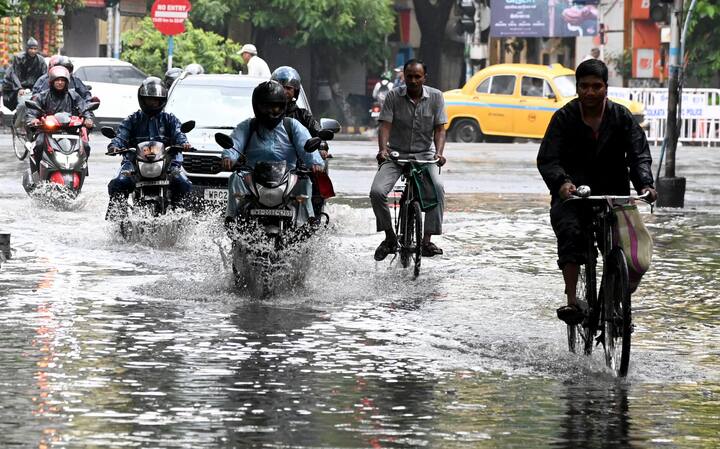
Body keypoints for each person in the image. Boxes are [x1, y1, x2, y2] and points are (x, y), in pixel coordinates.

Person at [536, 59, 657, 325]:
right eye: (585, 86)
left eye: (596, 86)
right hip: (573, 196)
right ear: (577, 89)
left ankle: (613, 303)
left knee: (629, 251)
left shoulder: (621, 117)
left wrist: (645, 184)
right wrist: (562, 184)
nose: (590, 92)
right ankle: (571, 301)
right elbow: (548, 158)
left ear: (606, 88)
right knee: (570, 235)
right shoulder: (564, 118)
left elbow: (638, 155)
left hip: (614, 195)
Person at [370, 59, 448, 261]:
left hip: (424, 156)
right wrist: (382, 150)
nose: (413, 80)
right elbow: (385, 125)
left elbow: (440, 129)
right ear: (404, 76)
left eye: (417, 77)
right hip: (395, 155)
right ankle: (389, 237)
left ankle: (427, 240)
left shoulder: (437, 97)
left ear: (424, 78)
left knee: (438, 190)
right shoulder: (393, 96)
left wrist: (439, 153)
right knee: (377, 192)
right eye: (409, 76)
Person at [221, 80, 324, 225]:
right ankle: (232, 218)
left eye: (275, 106)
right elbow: (234, 143)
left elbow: (305, 145)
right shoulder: (248, 126)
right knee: (235, 177)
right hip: (253, 177)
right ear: (257, 107)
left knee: (305, 181)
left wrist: (315, 162)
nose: (271, 111)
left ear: (283, 106)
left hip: (287, 177)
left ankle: (305, 222)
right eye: (265, 106)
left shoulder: (292, 126)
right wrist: (228, 157)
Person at [106, 77, 192, 217]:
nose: (152, 103)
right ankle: (117, 218)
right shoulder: (132, 119)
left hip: (168, 164)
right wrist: (114, 146)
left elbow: (179, 133)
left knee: (183, 183)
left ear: (162, 100)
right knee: (118, 182)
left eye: (155, 100)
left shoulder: (170, 119)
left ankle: (182, 216)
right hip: (134, 164)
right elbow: (121, 136)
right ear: (142, 99)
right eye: (149, 99)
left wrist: (184, 143)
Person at [270, 65, 334, 217]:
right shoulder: (263, 113)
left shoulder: (303, 115)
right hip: (268, 164)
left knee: (315, 179)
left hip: (298, 165)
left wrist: (322, 147)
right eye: (281, 87)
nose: (285, 91)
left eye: (288, 88)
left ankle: (313, 218)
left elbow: (318, 132)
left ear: (295, 92)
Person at [26, 65, 94, 170]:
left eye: (63, 80)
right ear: (51, 82)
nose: (60, 82)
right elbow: (32, 112)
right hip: (47, 130)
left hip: (71, 131)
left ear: (67, 82)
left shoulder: (73, 95)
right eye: (57, 80)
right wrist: (33, 120)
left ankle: (82, 169)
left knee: (85, 146)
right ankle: (37, 172)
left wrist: (88, 119)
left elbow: (84, 108)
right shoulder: (43, 96)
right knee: (38, 145)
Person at [2, 37, 47, 111]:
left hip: (35, 89)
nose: (33, 51)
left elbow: (44, 77)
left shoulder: (41, 60)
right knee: (21, 105)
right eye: (31, 49)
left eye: (35, 49)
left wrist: (40, 89)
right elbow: (15, 74)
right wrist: (19, 88)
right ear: (27, 49)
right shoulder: (19, 58)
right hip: (19, 87)